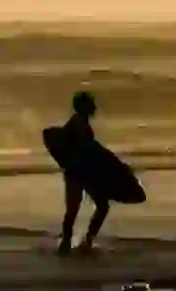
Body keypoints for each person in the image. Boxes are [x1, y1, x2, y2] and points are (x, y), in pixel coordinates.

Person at [57, 90, 111, 256]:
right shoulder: (78, 124)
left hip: (79, 173)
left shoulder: (80, 122)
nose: (95, 107)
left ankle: (76, 242)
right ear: (85, 107)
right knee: (92, 207)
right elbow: (86, 149)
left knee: (81, 208)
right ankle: (78, 242)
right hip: (78, 173)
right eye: (91, 104)